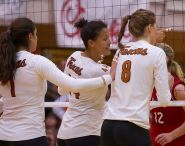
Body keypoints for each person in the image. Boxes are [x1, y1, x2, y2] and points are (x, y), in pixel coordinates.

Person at [0, 17, 113, 146]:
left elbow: (5, 100)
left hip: (3, 136)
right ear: (30, 36)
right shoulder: (36, 61)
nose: (37, 38)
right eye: (36, 34)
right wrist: (109, 78)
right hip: (29, 136)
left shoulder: (4, 63)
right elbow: (73, 85)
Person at [101, 9, 172, 146]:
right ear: (150, 28)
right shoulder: (157, 53)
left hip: (108, 125)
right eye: (155, 26)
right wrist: (167, 86)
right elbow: (164, 100)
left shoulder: (122, 50)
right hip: (133, 127)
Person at [57, 18, 111, 146]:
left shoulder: (74, 56)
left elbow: (61, 90)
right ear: (91, 43)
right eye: (105, 39)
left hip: (65, 132)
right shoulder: (100, 70)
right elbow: (128, 73)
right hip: (86, 134)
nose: (109, 42)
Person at [149, 43, 185, 146]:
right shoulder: (150, 83)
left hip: (176, 142)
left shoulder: (178, 89)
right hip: (155, 141)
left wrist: (171, 135)